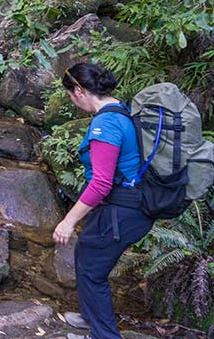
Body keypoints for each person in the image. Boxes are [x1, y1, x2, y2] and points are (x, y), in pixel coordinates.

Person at [53, 63, 154, 339]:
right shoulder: (121, 109)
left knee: (92, 271)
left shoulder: (106, 123)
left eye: (71, 96)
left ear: (79, 90)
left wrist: (68, 221)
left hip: (124, 208)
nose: (73, 102)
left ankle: (104, 335)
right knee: (86, 253)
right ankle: (90, 317)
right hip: (125, 204)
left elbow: (101, 183)